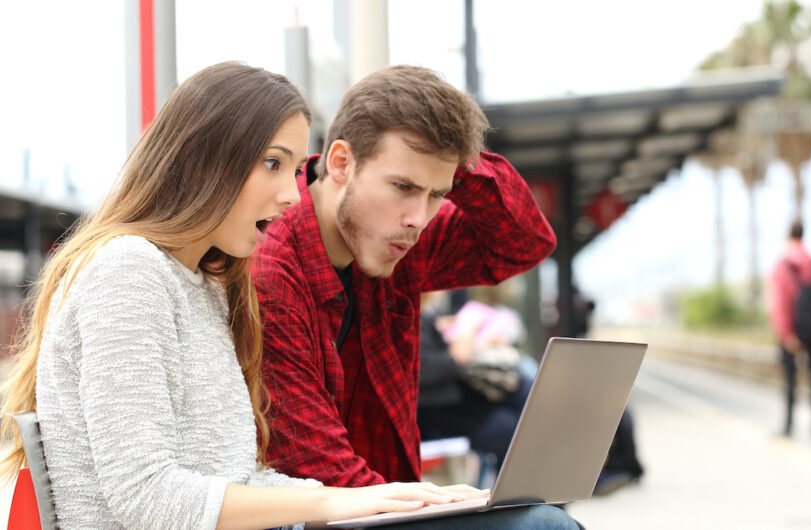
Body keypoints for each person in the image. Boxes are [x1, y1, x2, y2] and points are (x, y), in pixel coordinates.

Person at [0, 62, 574, 530]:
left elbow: (240, 473)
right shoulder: (135, 271)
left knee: (536, 521)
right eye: (274, 165)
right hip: (318, 511)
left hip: (323, 510)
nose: (290, 194)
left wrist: (449, 144)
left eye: (295, 167)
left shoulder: (204, 285)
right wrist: (335, 501)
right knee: (541, 527)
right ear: (205, 159)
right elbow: (146, 495)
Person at [252, 65, 557, 489]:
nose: (418, 218)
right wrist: (437, 505)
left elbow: (523, 243)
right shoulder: (273, 271)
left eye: (437, 195)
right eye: (403, 186)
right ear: (341, 162)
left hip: (389, 501)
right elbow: (318, 466)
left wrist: (454, 162)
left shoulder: (399, 237)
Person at [416, 292, 532, 477]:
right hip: (442, 410)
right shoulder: (412, 318)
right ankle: (524, 497)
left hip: (462, 399)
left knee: (529, 401)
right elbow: (424, 371)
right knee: (516, 433)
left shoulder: (428, 315)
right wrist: (459, 352)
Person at [769, 219, 811, 437]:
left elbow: (780, 303)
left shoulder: (782, 265)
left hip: (793, 328)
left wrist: (786, 334)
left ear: (788, 236)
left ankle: (788, 424)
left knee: (790, 377)